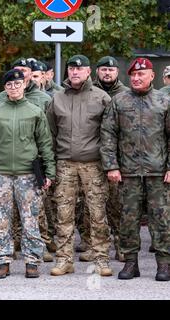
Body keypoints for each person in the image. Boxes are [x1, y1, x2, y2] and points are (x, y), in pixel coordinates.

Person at [100, 58, 170, 282]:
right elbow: (108, 135)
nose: (137, 78)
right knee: (128, 220)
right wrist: (111, 165)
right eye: (134, 75)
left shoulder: (164, 100)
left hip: (158, 173)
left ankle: (164, 264)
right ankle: (131, 263)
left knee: (161, 219)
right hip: (128, 173)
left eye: (142, 74)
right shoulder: (119, 101)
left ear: (152, 76)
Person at [0, 69, 55, 279]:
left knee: (30, 219)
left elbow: (45, 144)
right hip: (2, 173)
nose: (14, 88)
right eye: (9, 85)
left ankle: (32, 261)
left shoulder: (34, 111)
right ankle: (2, 261)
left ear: (24, 85)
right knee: (0, 219)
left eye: (17, 84)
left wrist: (49, 171)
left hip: (27, 175)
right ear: (5, 88)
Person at [47, 55, 113, 277]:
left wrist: (109, 163)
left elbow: (110, 134)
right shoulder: (57, 98)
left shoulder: (101, 98)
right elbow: (51, 132)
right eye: (71, 69)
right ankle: (64, 259)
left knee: (97, 213)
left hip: (93, 165)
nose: (75, 72)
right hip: (65, 164)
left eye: (80, 69)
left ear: (88, 71)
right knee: (64, 214)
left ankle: (101, 259)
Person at [90, 56, 129, 263]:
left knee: (116, 205)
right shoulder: (89, 91)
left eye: (111, 70)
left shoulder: (124, 95)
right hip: (92, 154)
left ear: (117, 73)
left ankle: (120, 245)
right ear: (96, 71)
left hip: (118, 157)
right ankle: (92, 245)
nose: (107, 73)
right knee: (93, 205)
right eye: (103, 69)